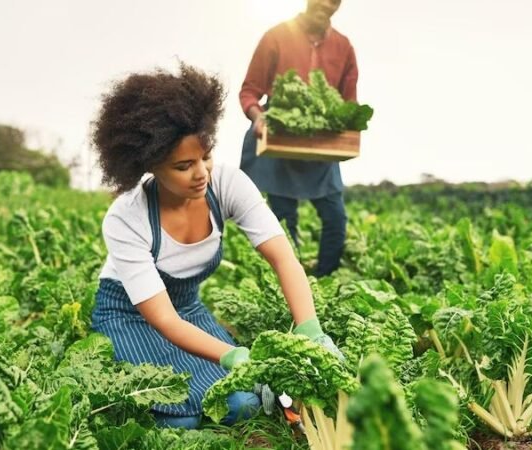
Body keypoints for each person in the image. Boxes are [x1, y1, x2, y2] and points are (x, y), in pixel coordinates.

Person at [90, 64, 341, 429]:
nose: (201, 173)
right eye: (183, 165)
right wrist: (233, 354)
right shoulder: (126, 217)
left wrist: (310, 330)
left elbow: (283, 258)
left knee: (242, 405)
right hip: (130, 316)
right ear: (151, 165)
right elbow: (162, 318)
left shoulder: (225, 184)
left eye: (205, 156)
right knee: (182, 422)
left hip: (187, 311)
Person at [239, 0, 357, 278]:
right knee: (284, 221)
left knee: (336, 219)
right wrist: (259, 117)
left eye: (335, 1)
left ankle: (322, 283)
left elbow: (350, 103)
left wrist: (347, 128)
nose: (326, 4)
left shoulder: (344, 47)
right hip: (280, 143)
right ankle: (291, 283)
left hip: (320, 149)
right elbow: (249, 91)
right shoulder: (276, 36)